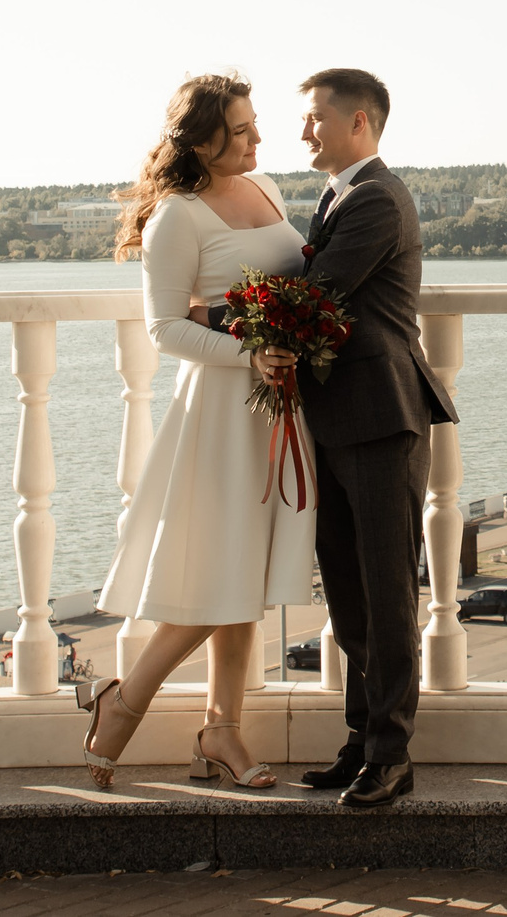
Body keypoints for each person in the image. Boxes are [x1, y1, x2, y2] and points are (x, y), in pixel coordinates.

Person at [77, 73, 313, 790]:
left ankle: (221, 731)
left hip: (280, 404)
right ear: (203, 137)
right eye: (240, 131)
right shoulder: (176, 216)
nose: (257, 139)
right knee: (224, 571)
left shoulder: (268, 186)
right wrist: (251, 350)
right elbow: (166, 327)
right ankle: (127, 699)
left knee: (244, 575)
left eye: (254, 125)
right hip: (220, 412)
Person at [258, 67, 456, 808]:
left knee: (386, 593)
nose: (303, 130)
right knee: (347, 596)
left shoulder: (377, 199)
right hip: (338, 421)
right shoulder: (337, 195)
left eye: (314, 117)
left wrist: (208, 319)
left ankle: (391, 754)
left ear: (360, 122)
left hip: (382, 418)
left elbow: (316, 294)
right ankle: (359, 740)